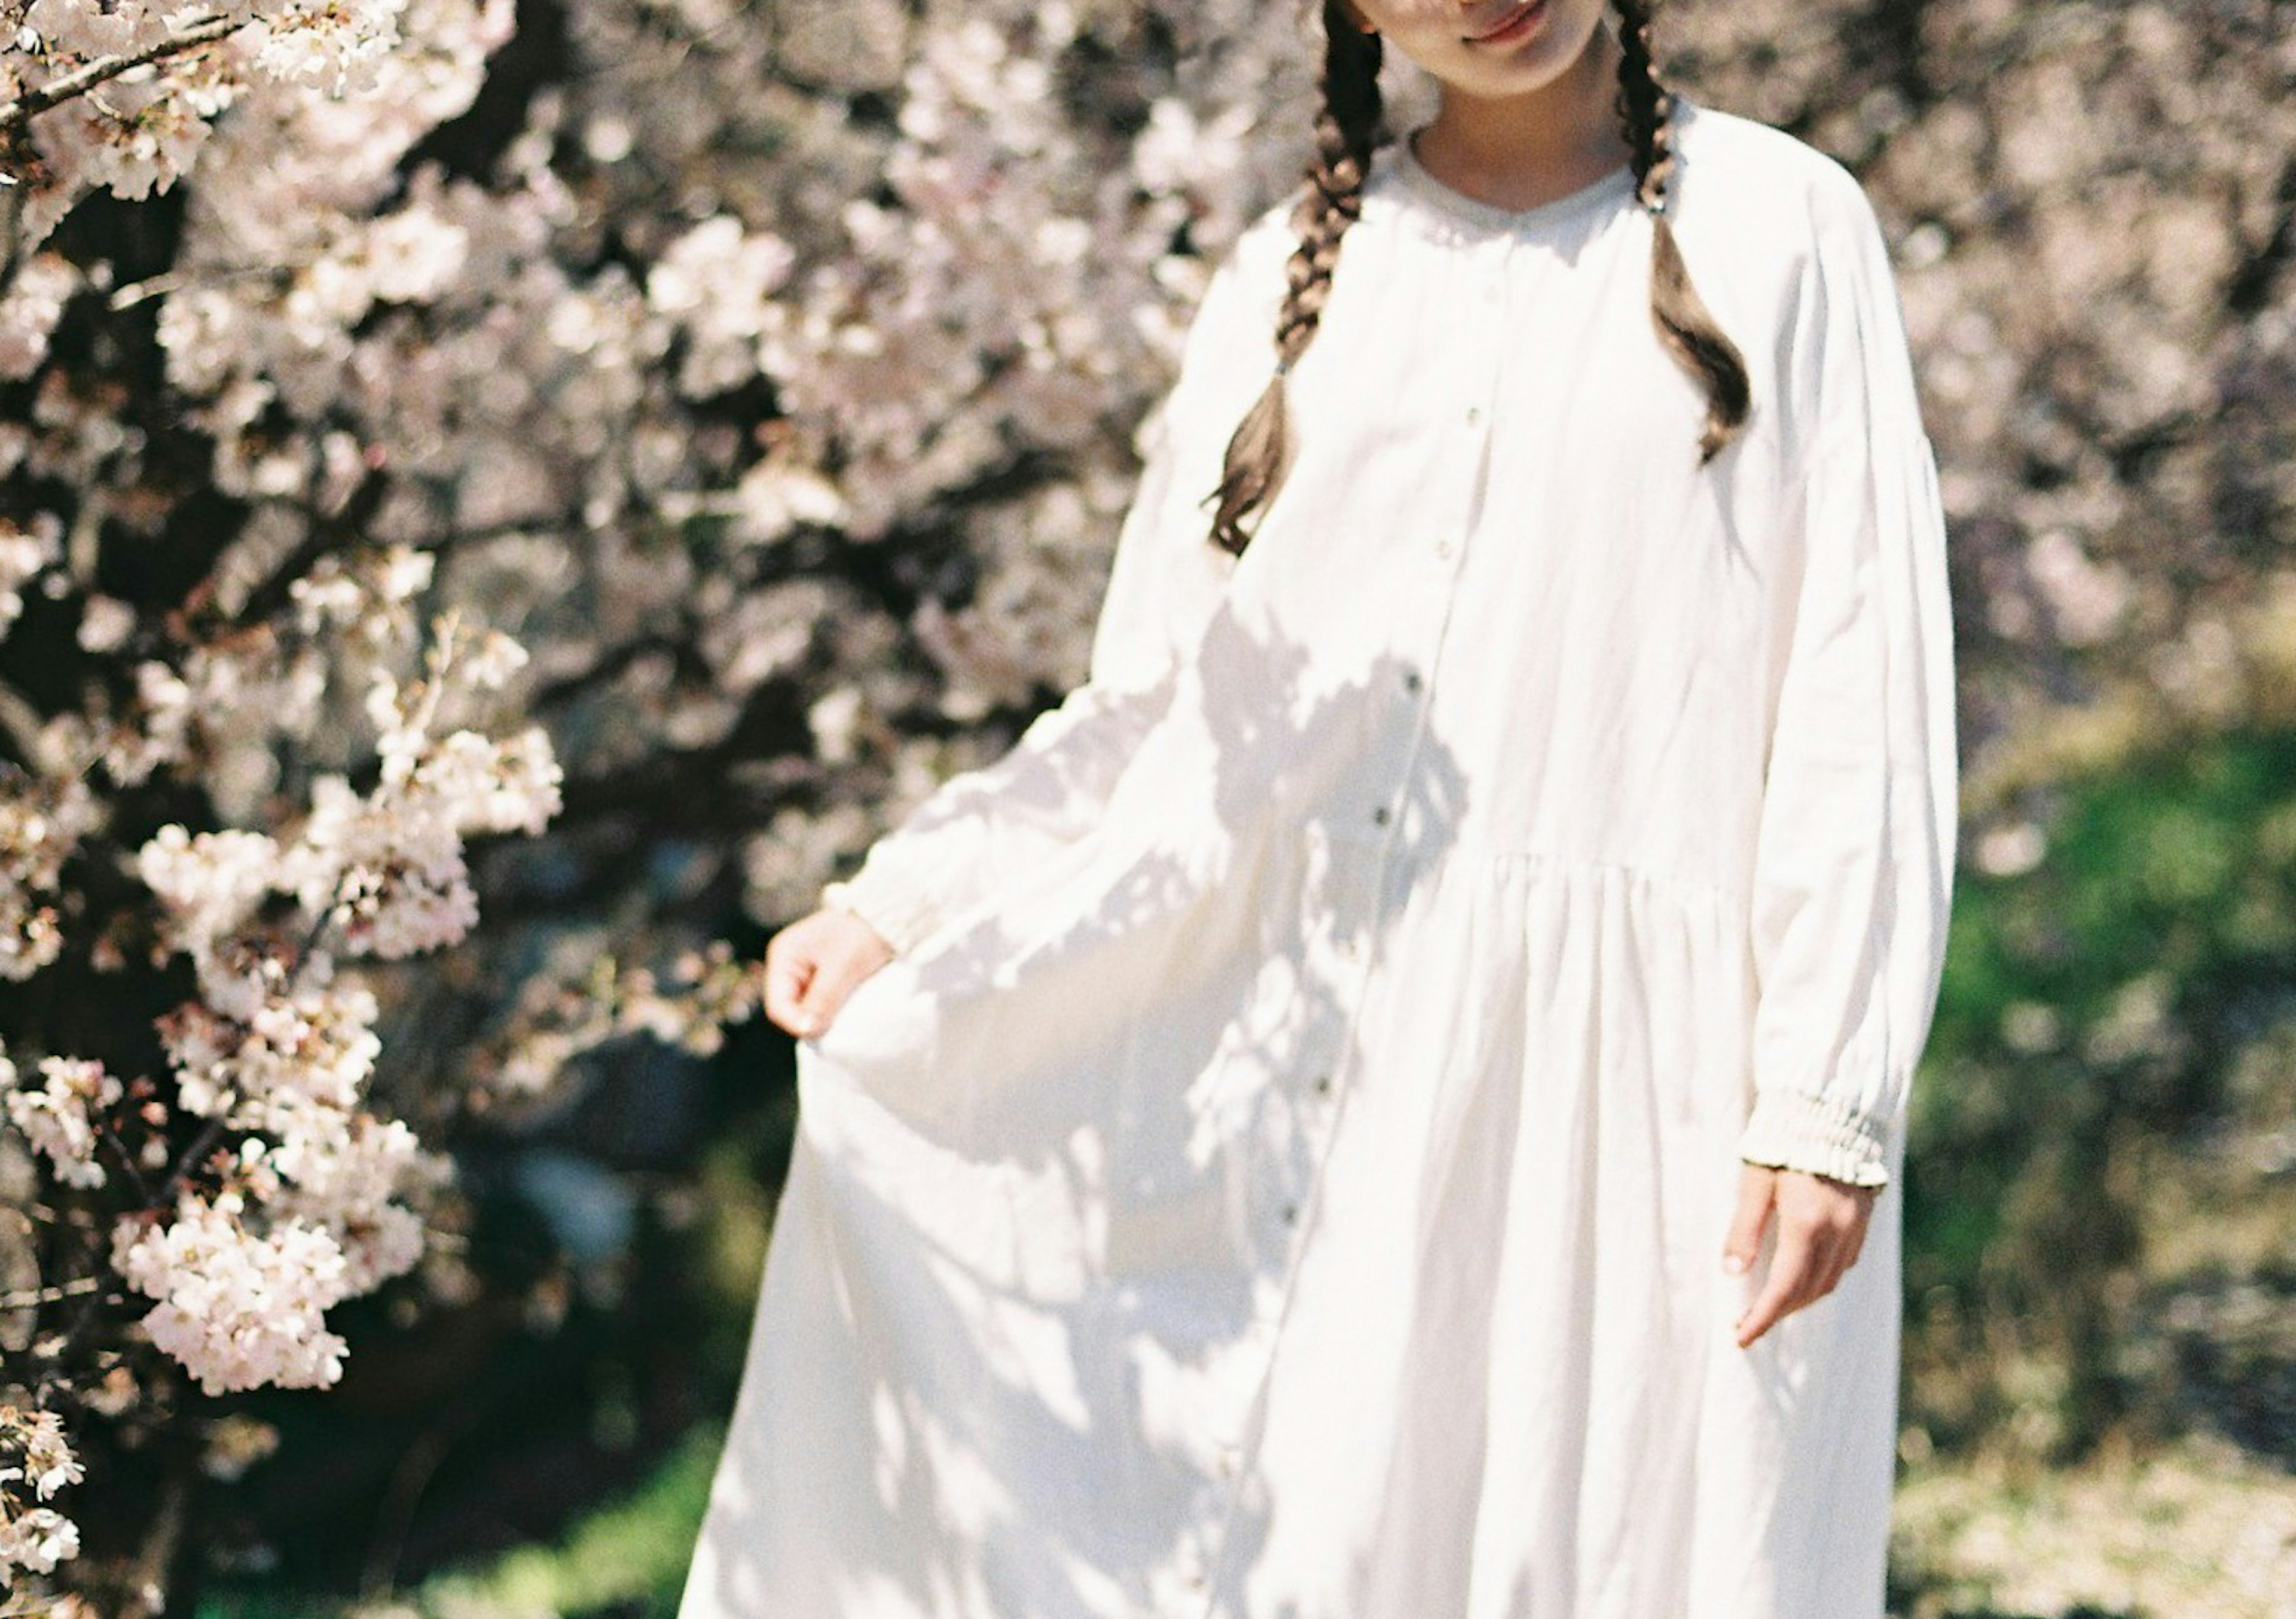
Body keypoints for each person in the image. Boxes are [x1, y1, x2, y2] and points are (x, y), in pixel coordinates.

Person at [678, 0, 1956, 1614]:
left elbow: (1862, 675)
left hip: (1650, 1096)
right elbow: (1164, 698)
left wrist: (1825, 1091)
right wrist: (910, 899)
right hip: (1330, 1069)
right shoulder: (1291, 275)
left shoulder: (1784, 226)